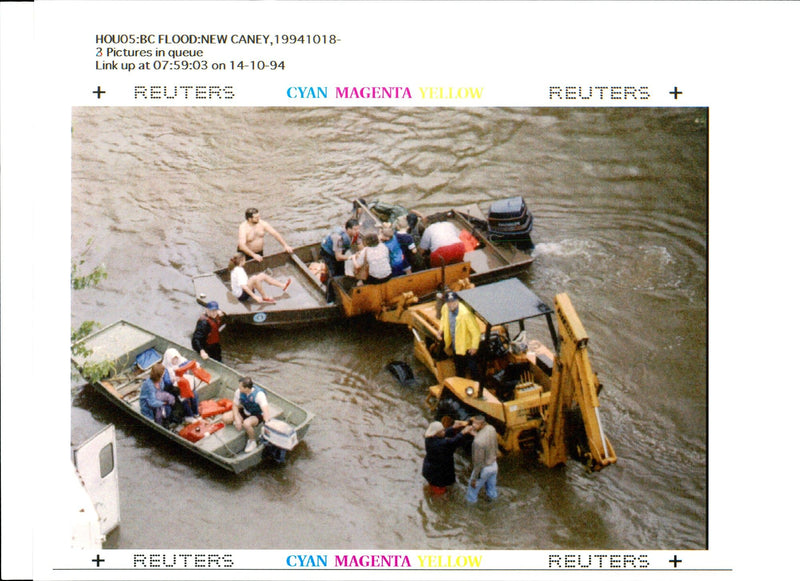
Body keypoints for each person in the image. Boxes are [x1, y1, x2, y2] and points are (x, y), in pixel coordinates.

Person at [422, 419, 475, 495]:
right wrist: (464, 432)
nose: (444, 431)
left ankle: (431, 492)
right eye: (442, 431)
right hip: (439, 474)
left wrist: (453, 427)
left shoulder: (429, 438)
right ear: (436, 433)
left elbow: (443, 434)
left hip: (430, 470)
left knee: (433, 485)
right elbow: (454, 441)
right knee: (440, 492)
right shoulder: (442, 444)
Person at [222, 376, 271, 453]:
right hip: (245, 410)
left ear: (246, 388)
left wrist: (267, 423)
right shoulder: (239, 392)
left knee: (247, 424)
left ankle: (252, 441)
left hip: (256, 414)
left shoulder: (259, 395)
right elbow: (235, 405)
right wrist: (237, 418)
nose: (239, 388)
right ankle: (239, 421)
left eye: (240, 387)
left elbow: (266, 411)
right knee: (226, 418)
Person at [439, 291, 481, 379]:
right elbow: (443, 319)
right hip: (456, 346)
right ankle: (460, 382)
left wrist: (474, 346)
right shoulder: (445, 308)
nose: (451, 305)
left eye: (453, 302)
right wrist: (440, 329)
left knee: (473, 368)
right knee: (459, 367)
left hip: (467, 348)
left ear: (457, 301)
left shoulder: (465, 314)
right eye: (449, 302)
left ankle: (477, 384)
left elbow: (476, 332)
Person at [466, 415, 499, 504]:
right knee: (492, 491)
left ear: (481, 425)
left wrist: (474, 479)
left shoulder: (477, 442)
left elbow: (478, 464)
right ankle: (494, 505)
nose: (473, 425)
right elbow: (492, 443)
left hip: (484, 469)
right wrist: (476, 435)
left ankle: (471, 513)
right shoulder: (491, 428)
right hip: (494, 465)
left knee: (471, 495)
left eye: (475, 424)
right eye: (473, 423)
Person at [162, 348, 201, 421]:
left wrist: (196, 364)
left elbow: (190, 363)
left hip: (185, 385)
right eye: (173, 359)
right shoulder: (165, 369)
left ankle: (196, 413)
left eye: (176, 359)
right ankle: (189, 415)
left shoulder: (181, 361)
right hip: (174, 389)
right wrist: (172, 379)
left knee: (194, 395)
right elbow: (167, 382)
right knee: (183, 399)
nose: (175, 361)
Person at [139, 363, 175, 427]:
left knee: (168, 408)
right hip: (148, 405)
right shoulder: (149, 385)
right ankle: (159, 423)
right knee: (160, 412)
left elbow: (161, 392)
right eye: (162, 374)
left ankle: (166, 420)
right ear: (158, 375)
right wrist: (163, 403)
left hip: (157, 399)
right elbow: (152, 402)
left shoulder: (161, 381)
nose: (164, 375)